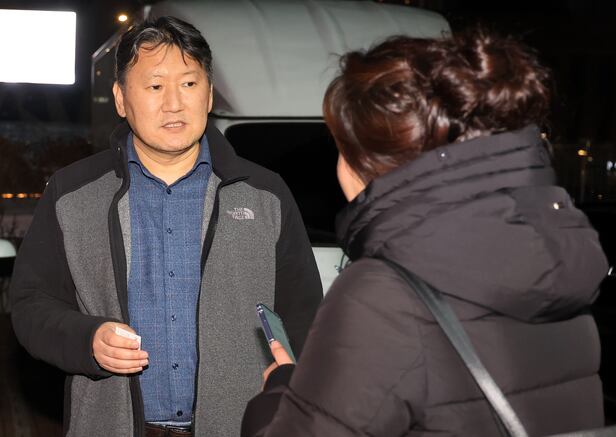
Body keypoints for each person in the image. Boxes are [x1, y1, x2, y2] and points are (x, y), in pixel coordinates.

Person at [241, 30, 609, 436]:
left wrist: (281, 391)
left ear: (367, 163)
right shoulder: (560, 254)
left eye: (340, 147)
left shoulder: (384, 295)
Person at [9, 16, 322, 437]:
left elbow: (305, 316)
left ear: (208, 94)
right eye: (155, 86)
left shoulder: (265, 194)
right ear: (121, 99)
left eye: (189, 84)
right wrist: (87, 339)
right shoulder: (73, 193)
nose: (174, 103)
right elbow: (31, 303)